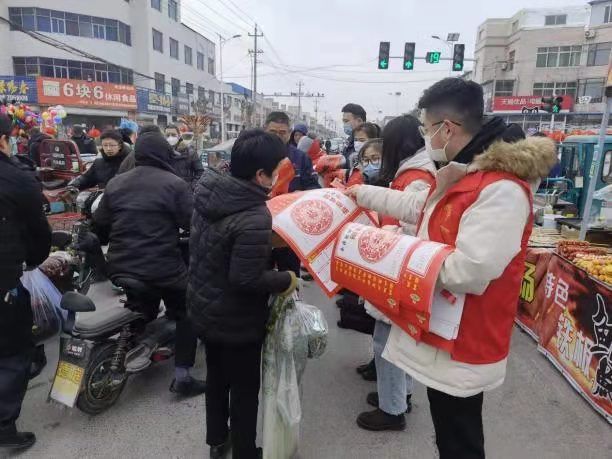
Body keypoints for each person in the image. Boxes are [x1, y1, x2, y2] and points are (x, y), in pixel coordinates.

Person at [348, 78, 556, 458]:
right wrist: (360, 194)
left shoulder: (501, 190)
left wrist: (393, 255)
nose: (426, 137)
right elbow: (417, 207)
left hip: (466, 335)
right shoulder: (466, 173)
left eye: (427, 128)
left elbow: (470, 269)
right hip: (444, 324)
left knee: (460, 437)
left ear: (447, 128)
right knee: (449, 429)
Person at [188, 129, 297, 459]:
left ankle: (217, 442)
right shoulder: (253, 214)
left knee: (217, 380)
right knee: (246, 390)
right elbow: (246, 278)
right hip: (238, 318)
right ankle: (246, 452)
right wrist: (286, 278)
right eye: (276, 170)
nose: (280, 175)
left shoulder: (209, 193)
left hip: (206, 308)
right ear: (261, 175)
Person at [94, 131, 205, 397]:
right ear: (164, 154)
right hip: (161, 267)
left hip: (118, 265)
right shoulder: (174, 184)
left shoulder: (116, 183)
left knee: (142, 303)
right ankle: (183, 377)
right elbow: (191, 222)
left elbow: (100, 221)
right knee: (188, 310)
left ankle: (142, 342)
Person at [355, 115, 435, 432]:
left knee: (387, 342)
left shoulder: (416, 176)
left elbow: (411, 224)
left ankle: (393, 410)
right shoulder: (419, 170)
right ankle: (400, 396)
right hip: (406, 264)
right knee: (402, 339)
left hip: (400, 265)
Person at [0, 113, 52, 451]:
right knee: (10, 355)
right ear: (5, 139)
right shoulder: (15, 179)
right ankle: (4, 431)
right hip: (3, 285)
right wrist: (32, 261)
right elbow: (38, 235)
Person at [265, 111, 319, 276]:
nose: (278, 136)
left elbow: (314, 188)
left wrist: (301, 195)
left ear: (289, 133)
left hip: (289, 229)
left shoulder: (301, 158)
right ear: (265, 130)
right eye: (273, 132)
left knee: (289, 276)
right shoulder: (254, 154)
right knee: (260, 277)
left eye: (282, 132)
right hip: (260, 225)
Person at [165, 124, 204, 189]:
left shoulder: (190, 152)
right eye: (167, 135)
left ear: (179, 136)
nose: (170, 137)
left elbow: (200, 172)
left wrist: (192, 187)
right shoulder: (162, 152)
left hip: (185, 192)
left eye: (173, 135)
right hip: (168, 192)